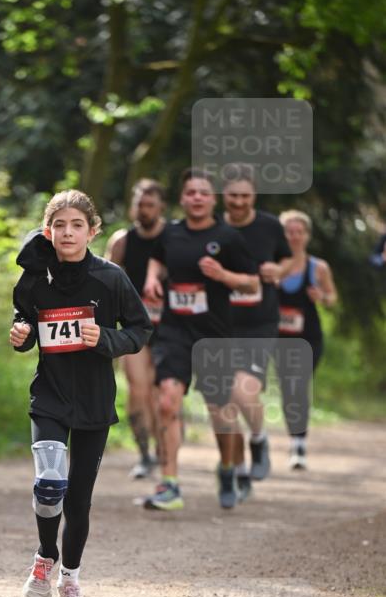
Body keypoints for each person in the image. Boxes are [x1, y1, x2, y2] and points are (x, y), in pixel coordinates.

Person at [10, 190, 152, 597]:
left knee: (79, 501)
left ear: (93, 231)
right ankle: (43, 559)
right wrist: (22, 335)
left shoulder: (110, 278)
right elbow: (24, 321)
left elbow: (141, 329)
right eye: (59, 225)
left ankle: (70, 580)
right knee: (50, 482)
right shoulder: (36, 277)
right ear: (47, 229)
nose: (67, 233)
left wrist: (105, 339)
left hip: (93, 400)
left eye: (76, 225)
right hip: (49, 396)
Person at [142, 169, 260, 510]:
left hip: (213, 335)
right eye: (190, 191)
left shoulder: (228, 237)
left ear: (213, 199)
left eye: (203, 192)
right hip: (174, 331)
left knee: (221, 412)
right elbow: (156, 258)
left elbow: (252, 284)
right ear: (182, 198)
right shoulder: (171, 233)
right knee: (167, 401)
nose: (196, 197)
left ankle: (226, 469)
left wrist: (223, 275)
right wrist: (152, 279)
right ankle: (171, 484)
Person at [222, 169, 292, 499]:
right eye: (233, 195)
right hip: (218, 325)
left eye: (245, 196)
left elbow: (289, 260)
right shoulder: (211, 228)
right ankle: (238, 471)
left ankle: (260, 439)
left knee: (241, 391)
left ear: (254, 197)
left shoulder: (269, 226)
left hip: (258, 323)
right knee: (225, 403)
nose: (238, 202)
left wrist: (279, 270)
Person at [105, 179, 166, 478]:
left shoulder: (175, 237)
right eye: (140, 204)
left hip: (171, 328)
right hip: (135, 328)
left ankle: (163, 451)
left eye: (150, 205)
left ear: (161, 207)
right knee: (138, 391)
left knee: (162, 393)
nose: (144, 210)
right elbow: (104, 284)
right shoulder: (122, 241)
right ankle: (144, 455)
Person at [275, 210, 337, 470]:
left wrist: (321, 296)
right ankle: (294, 436)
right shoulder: (273, 265)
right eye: (289, 231)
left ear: (307, 235)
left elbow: (333, 298)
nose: (294, 236)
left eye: (299, 231)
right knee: (287, 387)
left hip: (309, 337)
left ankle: (299, 444)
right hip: (279, 338)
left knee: (299, 383)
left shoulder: (318, 267)